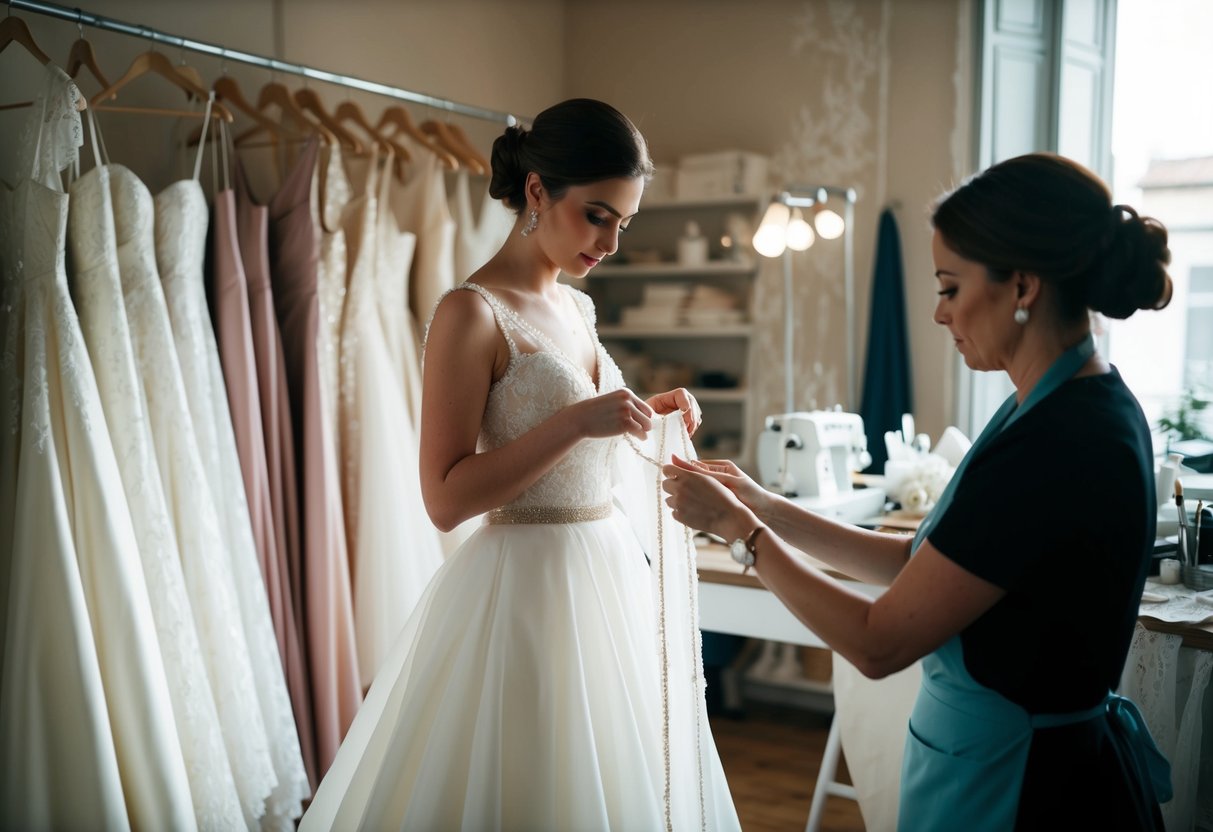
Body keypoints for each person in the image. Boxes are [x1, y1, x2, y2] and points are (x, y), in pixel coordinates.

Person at [663, 153, 1174, 831]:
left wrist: (744, 537)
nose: (938, 313)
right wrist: (764, 504)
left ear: (1021, 284)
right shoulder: (1059, 404)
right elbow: (920, 563)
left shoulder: (1060, 441)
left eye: (949, 287)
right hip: (999, 760)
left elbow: (877, 645)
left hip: (1023, 790)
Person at [299, 98, 741, 831]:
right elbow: (443, 499)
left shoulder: (577, 308)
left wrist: (645, 412)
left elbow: (590, 445)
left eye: (622, 224)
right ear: (537, 191)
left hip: (604, 574)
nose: (609, 242)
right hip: (521, 587)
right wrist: (576, 420)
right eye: (597, 215)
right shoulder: (468, 313)